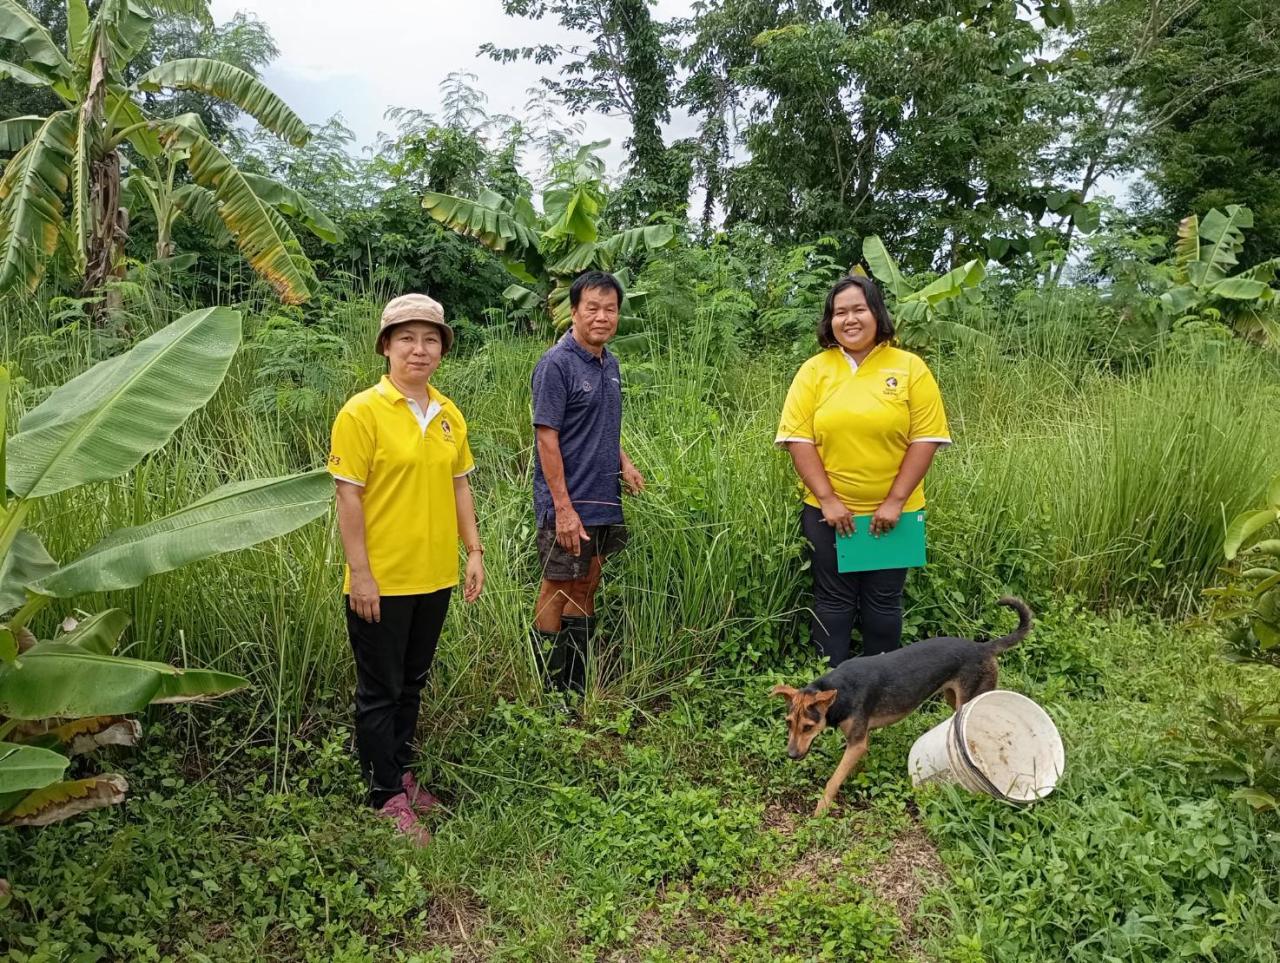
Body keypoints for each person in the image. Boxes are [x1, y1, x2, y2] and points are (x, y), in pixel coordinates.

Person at [328, 293, 485, 845]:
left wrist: (474, 552)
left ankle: (401, 774)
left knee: (412, 684)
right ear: (386, 347)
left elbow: (459, 484)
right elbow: (349, 498)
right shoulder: (362, 412)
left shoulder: (448, 414)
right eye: (407, 339)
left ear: (442, 348)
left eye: (430, 339)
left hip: (435, 576)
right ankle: (383, 794)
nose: (419, 350)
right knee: (380, 689)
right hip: (382, 579)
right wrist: (361, 574)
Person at [775, 275, 950, 667]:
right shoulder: (814, 371)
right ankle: (831, 690)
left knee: (884, 603)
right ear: (829, 320)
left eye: (859, 309)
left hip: (895, 515)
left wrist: (894, 502)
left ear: (877, 313)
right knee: (832, 600)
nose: (849, 319)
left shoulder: (910, 368)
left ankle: (882, 691)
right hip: (829, 514)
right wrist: (829, 501)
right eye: (840, 312)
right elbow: (797, 439)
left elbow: (927, 438)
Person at [529, 271, 645, 693]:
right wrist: (563, 509)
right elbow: (547, 438)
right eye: (592, 308)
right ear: (574, 311)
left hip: (603, 500)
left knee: (587, 584)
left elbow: (601, 427)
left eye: (610, 309)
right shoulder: (556, 365)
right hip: (568, 502)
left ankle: (576, 683)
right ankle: (547, 690)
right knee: (557, 587)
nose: (602, 316)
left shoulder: (609, 363)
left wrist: (625, 463)